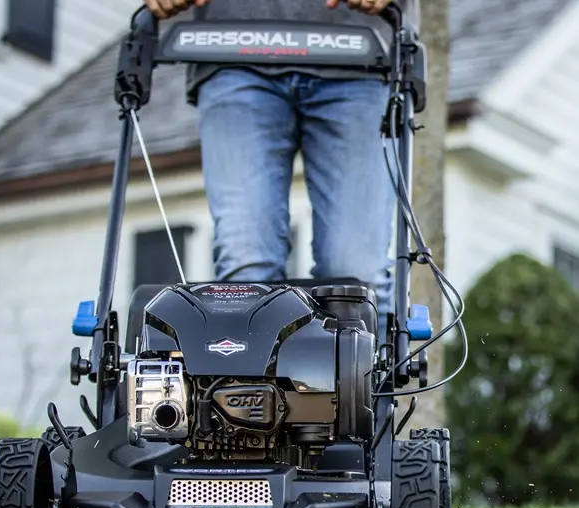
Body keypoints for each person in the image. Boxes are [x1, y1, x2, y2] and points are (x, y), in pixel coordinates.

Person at [144, 0, 420, 341]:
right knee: (246, 268)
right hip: (232, 50)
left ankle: (360, 388)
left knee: (355, 274)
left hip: (362, 53)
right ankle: (245, 392)